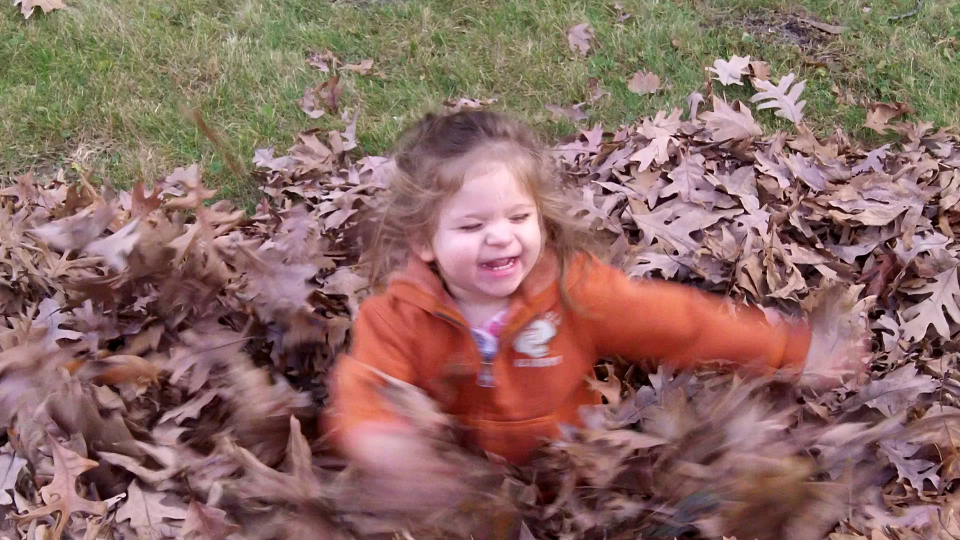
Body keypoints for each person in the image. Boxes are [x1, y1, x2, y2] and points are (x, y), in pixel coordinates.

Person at [325, 110, 863, 510]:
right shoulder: (398, 316)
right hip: (468, 493)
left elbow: (678, 323)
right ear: (424, 240)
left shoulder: (572, 293)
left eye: (518, 216)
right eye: (471, 226)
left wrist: (789, 349)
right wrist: (385, 442)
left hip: (578, 479)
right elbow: (365, 384)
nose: (500, 238)